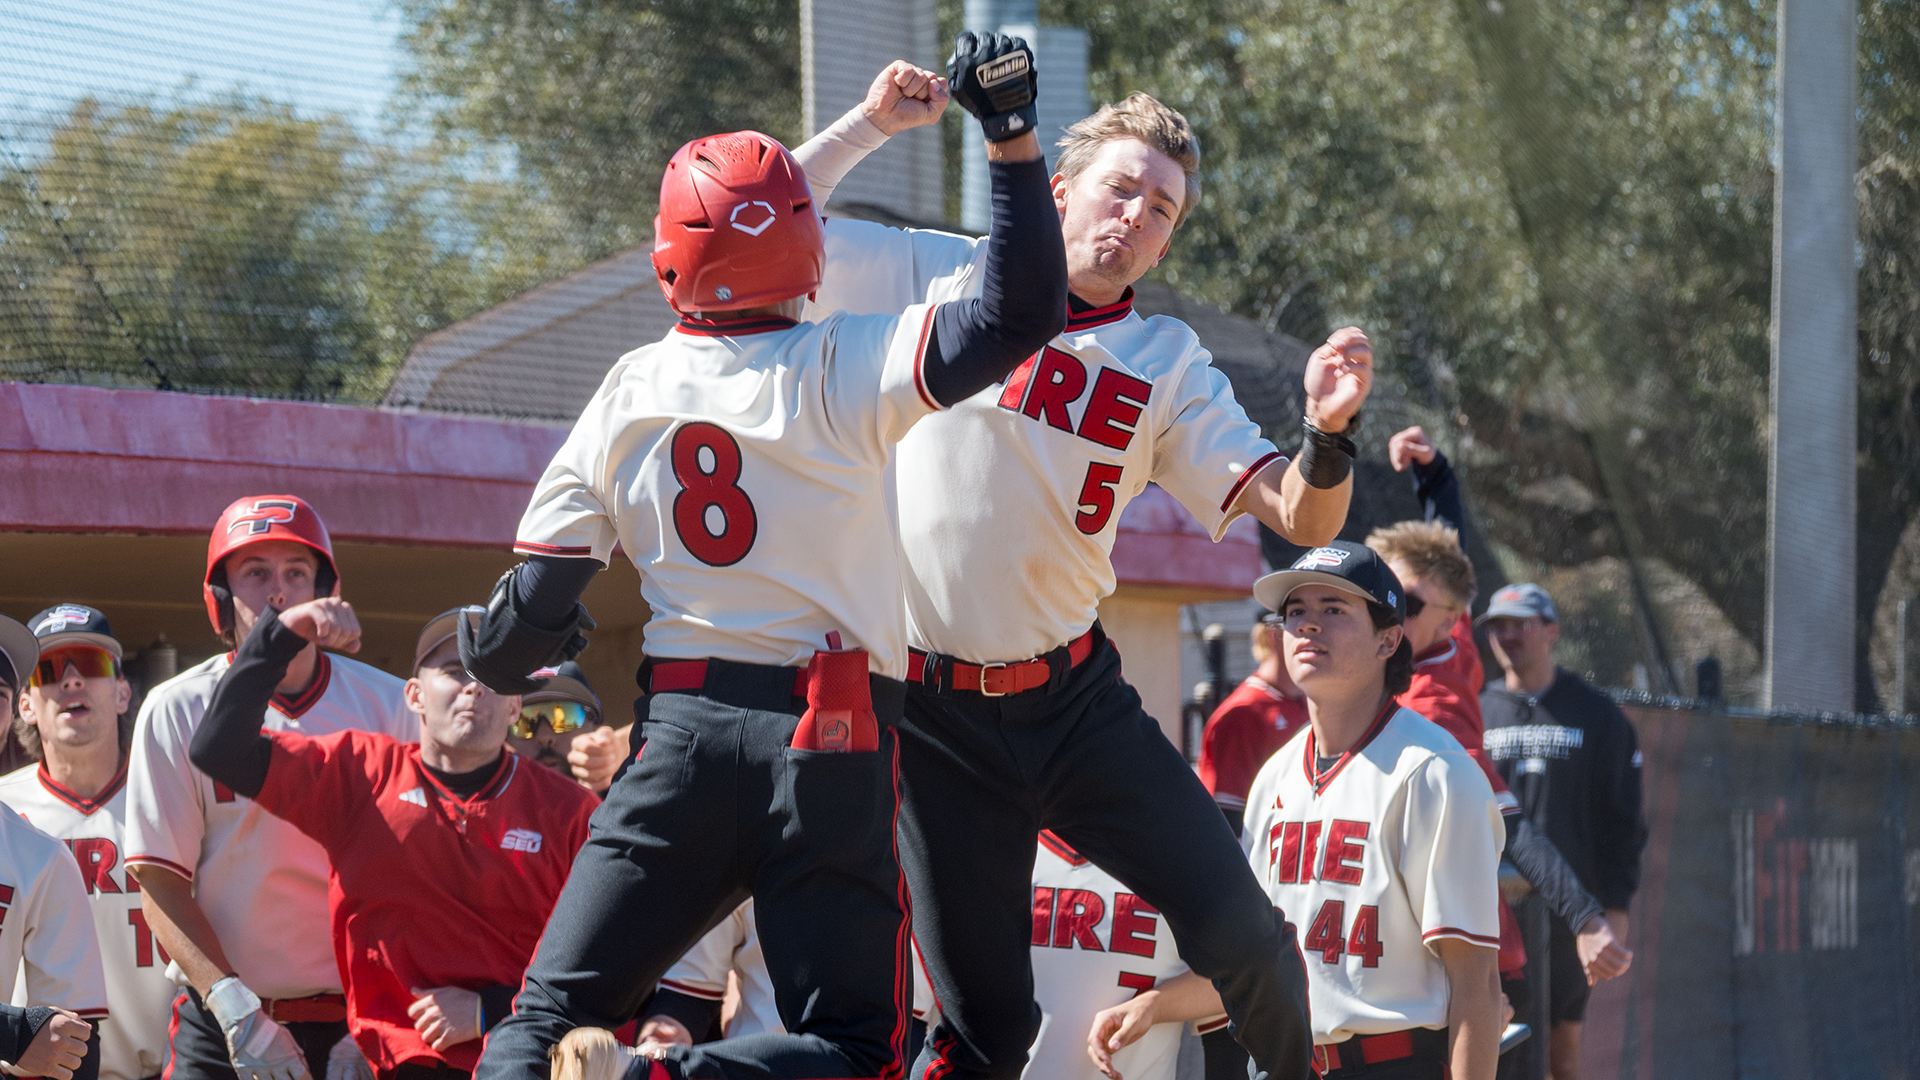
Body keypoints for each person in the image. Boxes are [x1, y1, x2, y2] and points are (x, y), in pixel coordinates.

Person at [462, 35, 1067, 1080]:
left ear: (668, 258)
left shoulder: (626, 390)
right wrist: (1009, 137)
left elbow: (529, 621)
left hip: (681, 739)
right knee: (856, 1051)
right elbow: (1020, 312)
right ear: (809, 252)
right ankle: (665, 1076)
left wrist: (492, 652)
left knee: (542, 1023)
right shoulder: (843, 359)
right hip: (829, 742)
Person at [792, 64, 1370, 1080]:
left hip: (1074, 704)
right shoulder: (935, 273)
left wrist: (1328, 433)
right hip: (933, 719)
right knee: (986, 1033)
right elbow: (758, 218)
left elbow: (1302, 513)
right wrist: (869, 125)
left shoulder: (1166, 358)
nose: (1138, 216)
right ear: (1056, 192)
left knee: (1250, 940)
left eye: (1163, 210)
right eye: (1122, 189)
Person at [186, 603, 597, 1079]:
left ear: (514, 705)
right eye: (455, 670)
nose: (474, 686)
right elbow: (219, 749)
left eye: (493, 675)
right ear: (414, 695)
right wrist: (281, 634)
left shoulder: (572, 811)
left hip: (528, 1059)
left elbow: (615, 966)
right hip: (394, 1063)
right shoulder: (360, 773)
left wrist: (491, 1009)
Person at [125, 495, 416, 1080]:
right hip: (224, 1015)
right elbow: (159, 882)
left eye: (296, 573)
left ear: (325, 591)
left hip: (363, 1018)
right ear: (220, 598)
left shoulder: (391, 704)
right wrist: (236, 1011)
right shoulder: (176, 707)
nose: (279, 593)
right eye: (256, 574)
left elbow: (419, 877)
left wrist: (385, 1010)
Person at [1242, 541, 1504, 1080]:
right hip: (1282, 1060)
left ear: (1389, 639)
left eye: (1334, 609)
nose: (1307, 625)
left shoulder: (1434, 771)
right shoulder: (1273, 777)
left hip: (1392, 1062)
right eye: (1295, 611)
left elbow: (1476, 982)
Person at [1479, 584, 1647, 1080]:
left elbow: (1623, 822)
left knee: (1562, 1050)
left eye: (1521, 624)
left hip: (1569, 912)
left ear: (1551, 631)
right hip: (1490, 915)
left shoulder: (1596, 714)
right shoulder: (1476, 710)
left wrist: (1614, 908)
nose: (1508, 635)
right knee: (1497, 1044)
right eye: (1497, 626)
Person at [2, 605, 177, 1080]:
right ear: (24, 705)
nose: (72, 680)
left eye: (90, 663)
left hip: (168, 1069)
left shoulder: (177, 798)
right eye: (50, 670)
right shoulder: (3, 809)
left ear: (123, 692)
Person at [1196, 619, 1308, 832]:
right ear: (1274, 636)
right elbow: (1229, 819)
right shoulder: (1244, 712)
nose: (1313, 633)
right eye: (1297, 619)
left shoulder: (1309, 702)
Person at [507, 663, 620, 794]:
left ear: (595, 728)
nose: (545, 737)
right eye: (524, 722)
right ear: (504, 738)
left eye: (565, 718)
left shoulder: (634, 801)